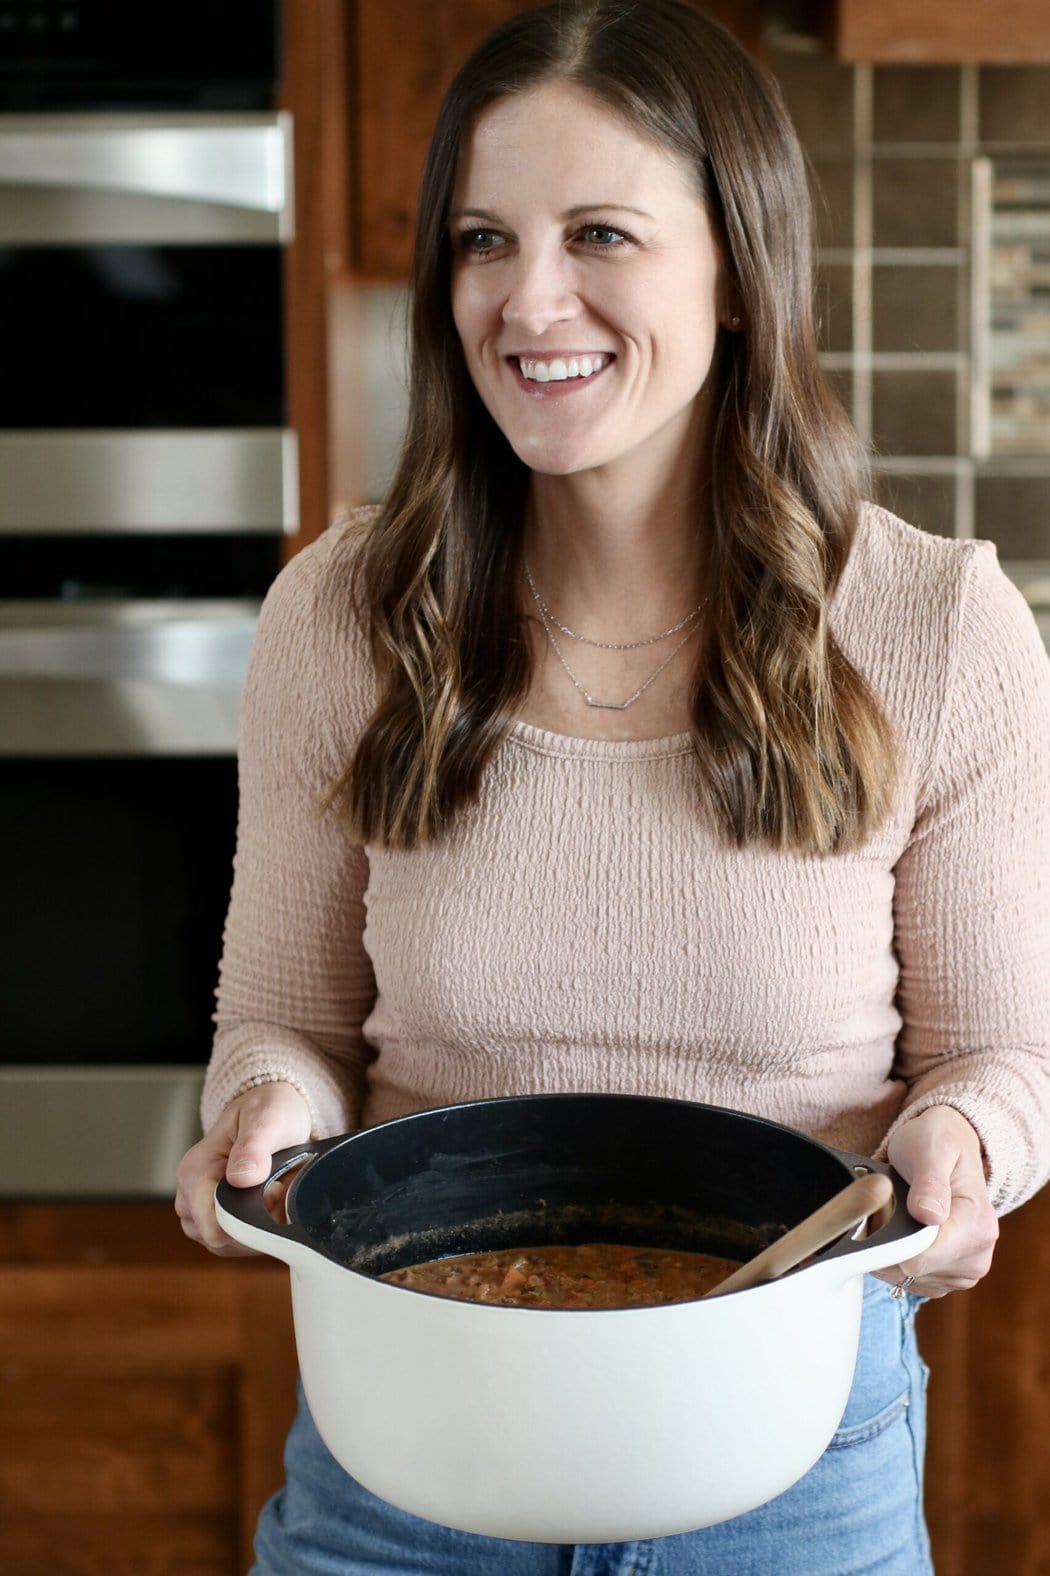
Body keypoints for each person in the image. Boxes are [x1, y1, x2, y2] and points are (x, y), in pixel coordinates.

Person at [175, 2, 1050, 1571]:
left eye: (599, 233)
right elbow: (284, 1025)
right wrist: (261, 1115)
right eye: (482, 240)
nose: (529, 298)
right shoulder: (343, 614)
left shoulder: (935, 628)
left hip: (791, 1448)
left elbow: (1000, 1058)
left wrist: (966, 1144)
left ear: (737, 271)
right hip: (409, 1442)